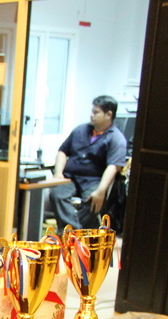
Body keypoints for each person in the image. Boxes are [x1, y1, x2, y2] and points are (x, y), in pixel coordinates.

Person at [48, 95, 128, 229]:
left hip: (93, 180)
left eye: (96, 112)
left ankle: (70, 232)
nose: (92, 115)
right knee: (57, 195)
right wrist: (58, 173)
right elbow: (62, 151)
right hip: (70, 177)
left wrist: (101, 190)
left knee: (93, 201)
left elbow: (113, 167)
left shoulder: (116, 139)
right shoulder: (80, 130)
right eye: (92, 111)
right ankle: (75, 232)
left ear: (109, 114)